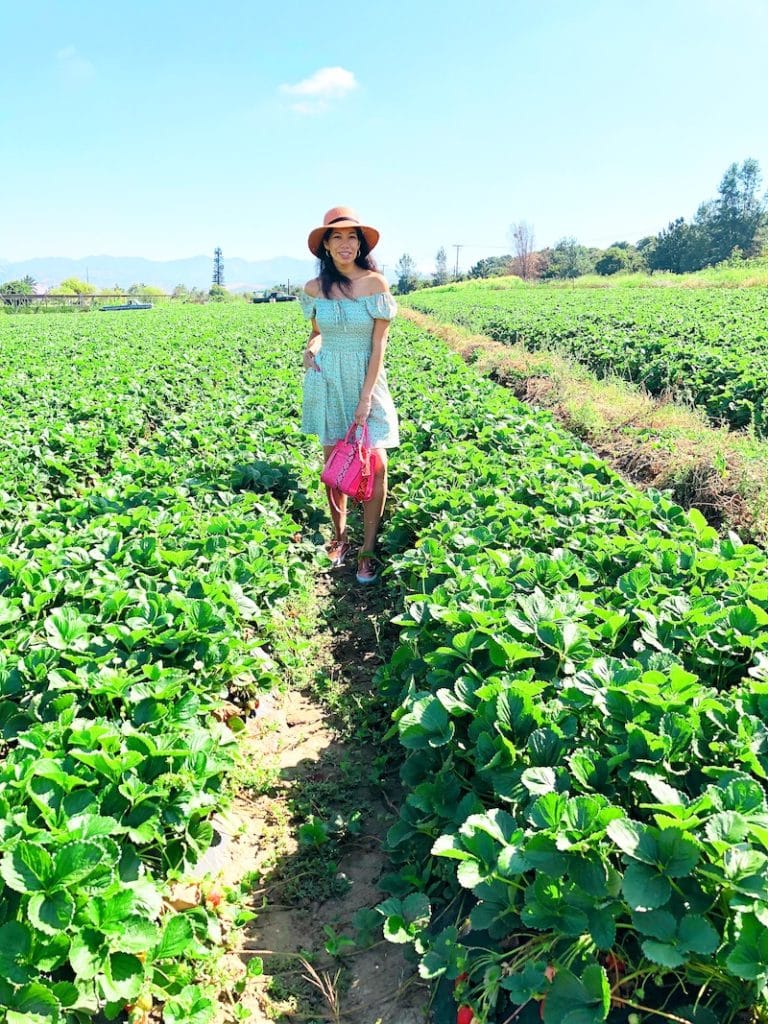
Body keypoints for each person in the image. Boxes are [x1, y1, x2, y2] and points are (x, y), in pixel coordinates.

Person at [298, 206, 399, 585]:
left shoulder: (376, 285)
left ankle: (367, 549)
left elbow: (379, 345)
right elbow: (317, 332)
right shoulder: (312, 291)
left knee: (376, 465)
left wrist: (365, 397)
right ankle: (339, 537)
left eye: (352, 236)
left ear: (360, 244)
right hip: (326, 381)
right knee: (333, 469)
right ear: (325, 245)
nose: (345, 243)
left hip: (365, 379)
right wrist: (311, 348)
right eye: (336, 237)